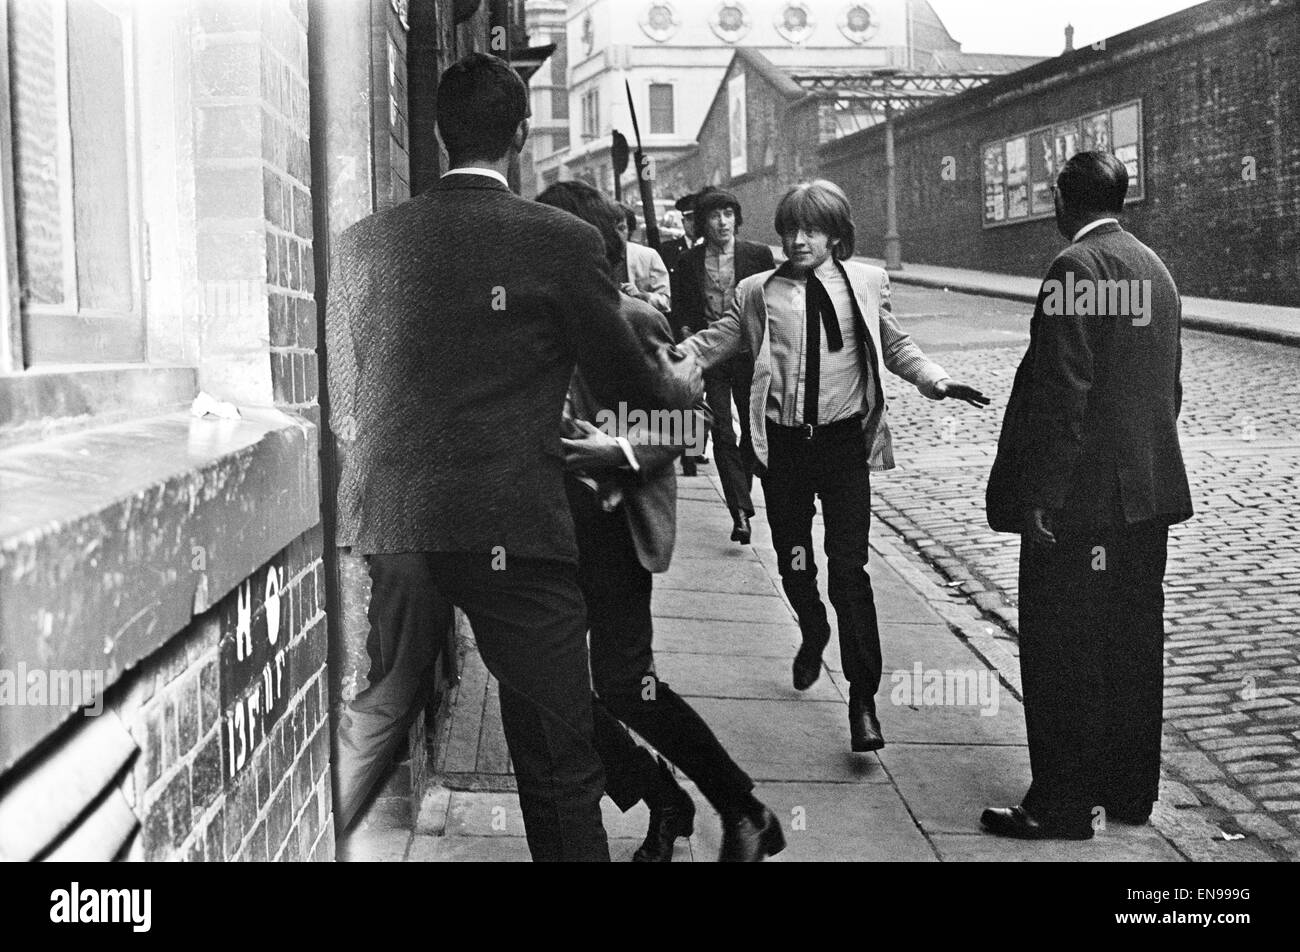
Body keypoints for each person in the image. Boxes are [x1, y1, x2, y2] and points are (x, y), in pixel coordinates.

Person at [325, 53, 700, 862]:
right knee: (556, 765)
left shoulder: (365, 244)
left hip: (400, 534)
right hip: (517, 536)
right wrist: (665, 407)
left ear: (436, 130)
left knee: (373, 723)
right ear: (522, 136)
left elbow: (343, 404)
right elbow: (636, 388)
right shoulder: (560, 242)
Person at [681, 180, 989, 752]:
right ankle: (811, 625)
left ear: (836, 236)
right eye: (790, 230)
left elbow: (893, 345)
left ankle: (862, 701)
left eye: (811, 231)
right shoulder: (757, 292)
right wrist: (672, 358)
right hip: (786, 452)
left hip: (844, 449)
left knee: (850, 571)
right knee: (795, 564)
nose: (797, 240)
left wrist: (936, 380)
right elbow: (714, 342)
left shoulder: (867, 284)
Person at [539, 180, 783, 862]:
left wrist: (613, 448)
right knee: (540, 683)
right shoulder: (532, 324)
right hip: (549, 527)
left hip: (613, 528)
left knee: (626, 685)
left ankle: (741, 808)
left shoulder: (630, 317)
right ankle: (660, 791)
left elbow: (687, 420)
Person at [981, 152, 1193, 840]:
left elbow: (1063, 393)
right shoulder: (1156, 270)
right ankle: (1128, 790)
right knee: (1131, 644)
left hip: (1083, 502)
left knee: (1063, 646)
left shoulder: (1075, 269)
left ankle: (1063, 803)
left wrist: (1044, 494)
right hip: (1147, 497)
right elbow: (1170, 391)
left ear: (1059, 203)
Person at [672, 190, 775, 544]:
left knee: (750, 427)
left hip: (748, 354)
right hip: (713, 355)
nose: (723, 222)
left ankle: (741, 495)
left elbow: (771, 307)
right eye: (715, 216)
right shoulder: (689, 262)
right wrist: (688, 336)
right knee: (721, 429)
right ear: (703, 223)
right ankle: (740, 510)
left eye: (729, 214)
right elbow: (681, 310)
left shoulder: (757, 256)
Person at [615, 202, 672, 315]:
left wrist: (641, 296)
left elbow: (665, 301)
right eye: (610, 229)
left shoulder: (648, 255)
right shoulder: (595, 257)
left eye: (621, 228)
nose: (615, 234)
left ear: (630, 230)